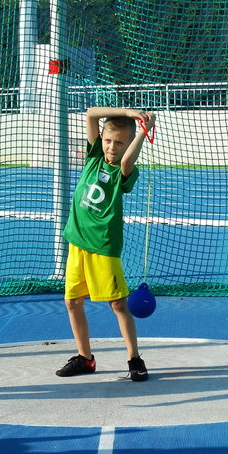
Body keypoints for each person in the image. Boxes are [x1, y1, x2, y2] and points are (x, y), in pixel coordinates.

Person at [56, 107, 155, 382]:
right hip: (77, 243)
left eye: (120, 143)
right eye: (109, 141)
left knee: (118, 305)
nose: (112, 147)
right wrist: (128, 112)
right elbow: (91, 115)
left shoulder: (122, 172)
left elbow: (126, 162)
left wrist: (143, 131)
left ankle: (134, 358)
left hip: (103, 247)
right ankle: (85, 358)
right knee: (72, 302)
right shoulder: (94, 157)